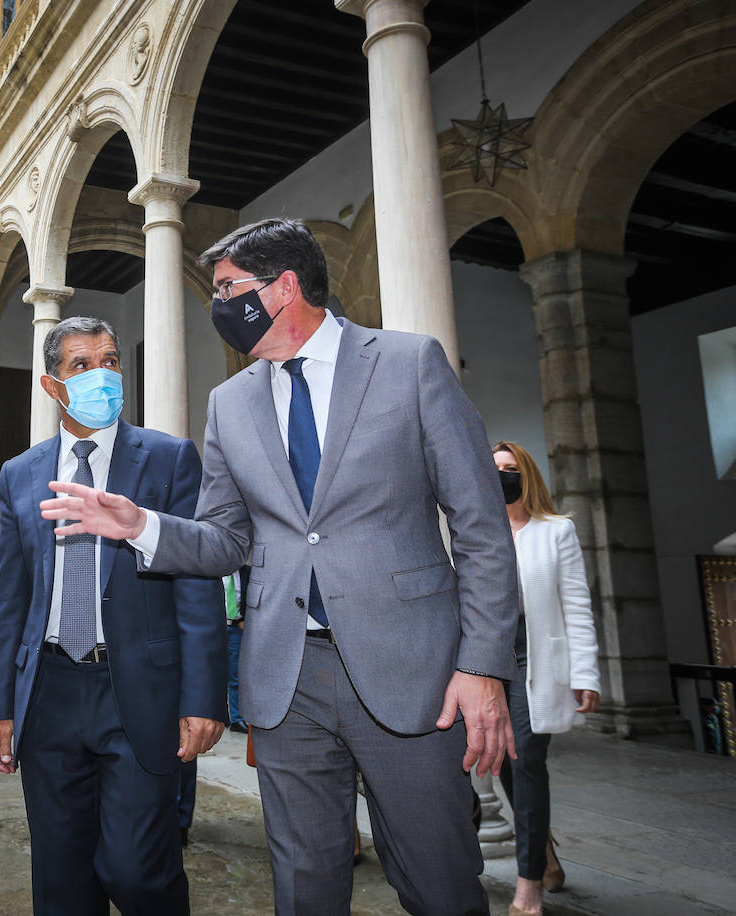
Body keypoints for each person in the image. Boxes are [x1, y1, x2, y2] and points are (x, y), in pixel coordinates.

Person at [42, 218, 520, 915]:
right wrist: (141, 527)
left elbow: (480, 525)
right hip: (286, 680)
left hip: (413, 670)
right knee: (304, 886)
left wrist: (483, 667)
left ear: (285, 286)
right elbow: (224, 541)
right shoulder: (229, 402)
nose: (218, 305)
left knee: (439, 881)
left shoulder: (409, 363)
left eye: (229, 287)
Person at [0, 316, 227, 914]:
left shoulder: (168, 460)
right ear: (52, 386)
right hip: (49, 690)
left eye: (111, 362)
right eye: (81, 366)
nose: (102, 376)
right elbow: (12, 598)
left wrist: (203, 697)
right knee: (62, 879)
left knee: (138, 871)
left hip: (138, 690)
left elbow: (195, 582)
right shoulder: (21, 474)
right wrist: (1, 707)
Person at [493, 441, 600, 916]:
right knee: (506, 765)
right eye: (495, 469)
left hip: (534, 663)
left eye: (511, 469)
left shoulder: (556, 531)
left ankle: (528, 886)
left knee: (527, 762)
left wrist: (585, 673)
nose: (504, 476)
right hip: (487, 665)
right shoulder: (478, 532)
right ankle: (545, 850)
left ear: (527, 474)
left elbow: (576, 605)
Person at [224, 569, 248, 733]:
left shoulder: (248, 573)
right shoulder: (213, 570)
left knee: (235, 675)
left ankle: (236, 719)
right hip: (213, 628)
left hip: (236, 629)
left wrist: (246, 618)